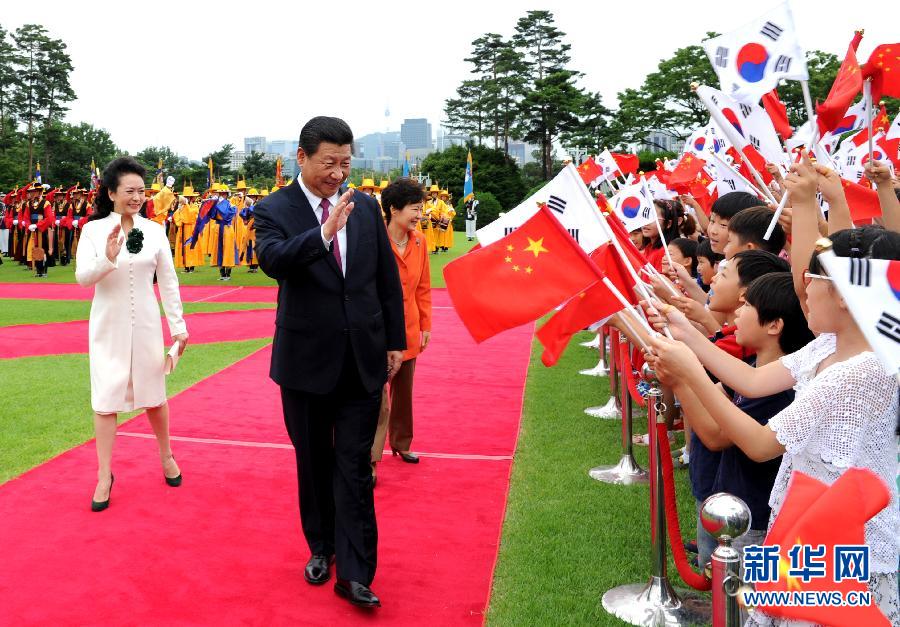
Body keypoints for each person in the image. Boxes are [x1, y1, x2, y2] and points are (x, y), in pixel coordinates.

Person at [254, 116, 405, 609]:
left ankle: (356, 574)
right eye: (328, 163)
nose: (338, 173)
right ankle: (321, 547)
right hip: (306, 362)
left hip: (363, 358)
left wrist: (395, 341)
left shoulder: (365, 207)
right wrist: (322, 233)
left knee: (355, 466)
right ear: (302, 158)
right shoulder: (273, 208)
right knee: (314, 461)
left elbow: (385, 279)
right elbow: (273, 260)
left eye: (345, 162)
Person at [74, 157, 188, 512]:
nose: (137, 197)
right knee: (106, 398)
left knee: (155, 395)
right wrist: (107, 259)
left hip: (147, 326)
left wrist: (178, 327)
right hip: (107, 326)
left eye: (142, 191)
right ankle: (104, 474)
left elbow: (168, 281)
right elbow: (83, 278)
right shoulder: (93, 231)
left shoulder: (154, 231)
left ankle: (166, 455)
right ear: (111, 193)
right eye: (130, 191)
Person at [371, 178, 432, 482]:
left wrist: (426, 324)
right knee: (378, 397)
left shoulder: (419, 241)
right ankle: (370, 459)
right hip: (378, 331)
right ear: (394, 210)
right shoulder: (374, 240)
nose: (419, 215)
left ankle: (401, 442)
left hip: (408, 328)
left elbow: (423, 287)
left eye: (421, 209)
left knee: (404, 393)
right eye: (414, 209)